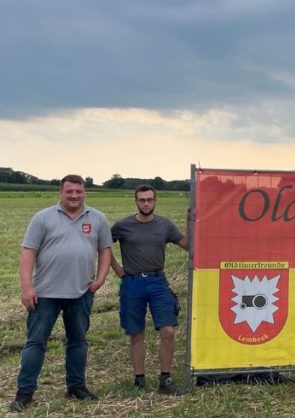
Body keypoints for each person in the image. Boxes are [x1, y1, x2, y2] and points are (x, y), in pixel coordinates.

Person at [10, 175, 113, 413]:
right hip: (45, 294)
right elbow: (28, 254)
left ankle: (76, 387)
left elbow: (105, 250)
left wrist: (100, 279)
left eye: (79, 191)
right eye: (70, 192)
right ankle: (24, 392)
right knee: (36, 343)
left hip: (81, 293)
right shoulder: (43, 217)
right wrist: (27, 287)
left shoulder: (97, 218)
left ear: (84, 192)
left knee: (78, 342)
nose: (74, 196)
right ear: (61, 192)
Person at [111, 184, 189, 395]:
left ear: (156, 201)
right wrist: (117, 268)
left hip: (157, 281)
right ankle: (139, 380)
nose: (146, 203)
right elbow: (103, 245)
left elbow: (188, 244)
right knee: (136, 334)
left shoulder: (165, 225)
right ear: (135, 202)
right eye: (142, 200)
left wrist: (192, 220)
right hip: (132, 283)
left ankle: (165, 379)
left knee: (168, 330)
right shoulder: (122, 225)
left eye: (150, 200)